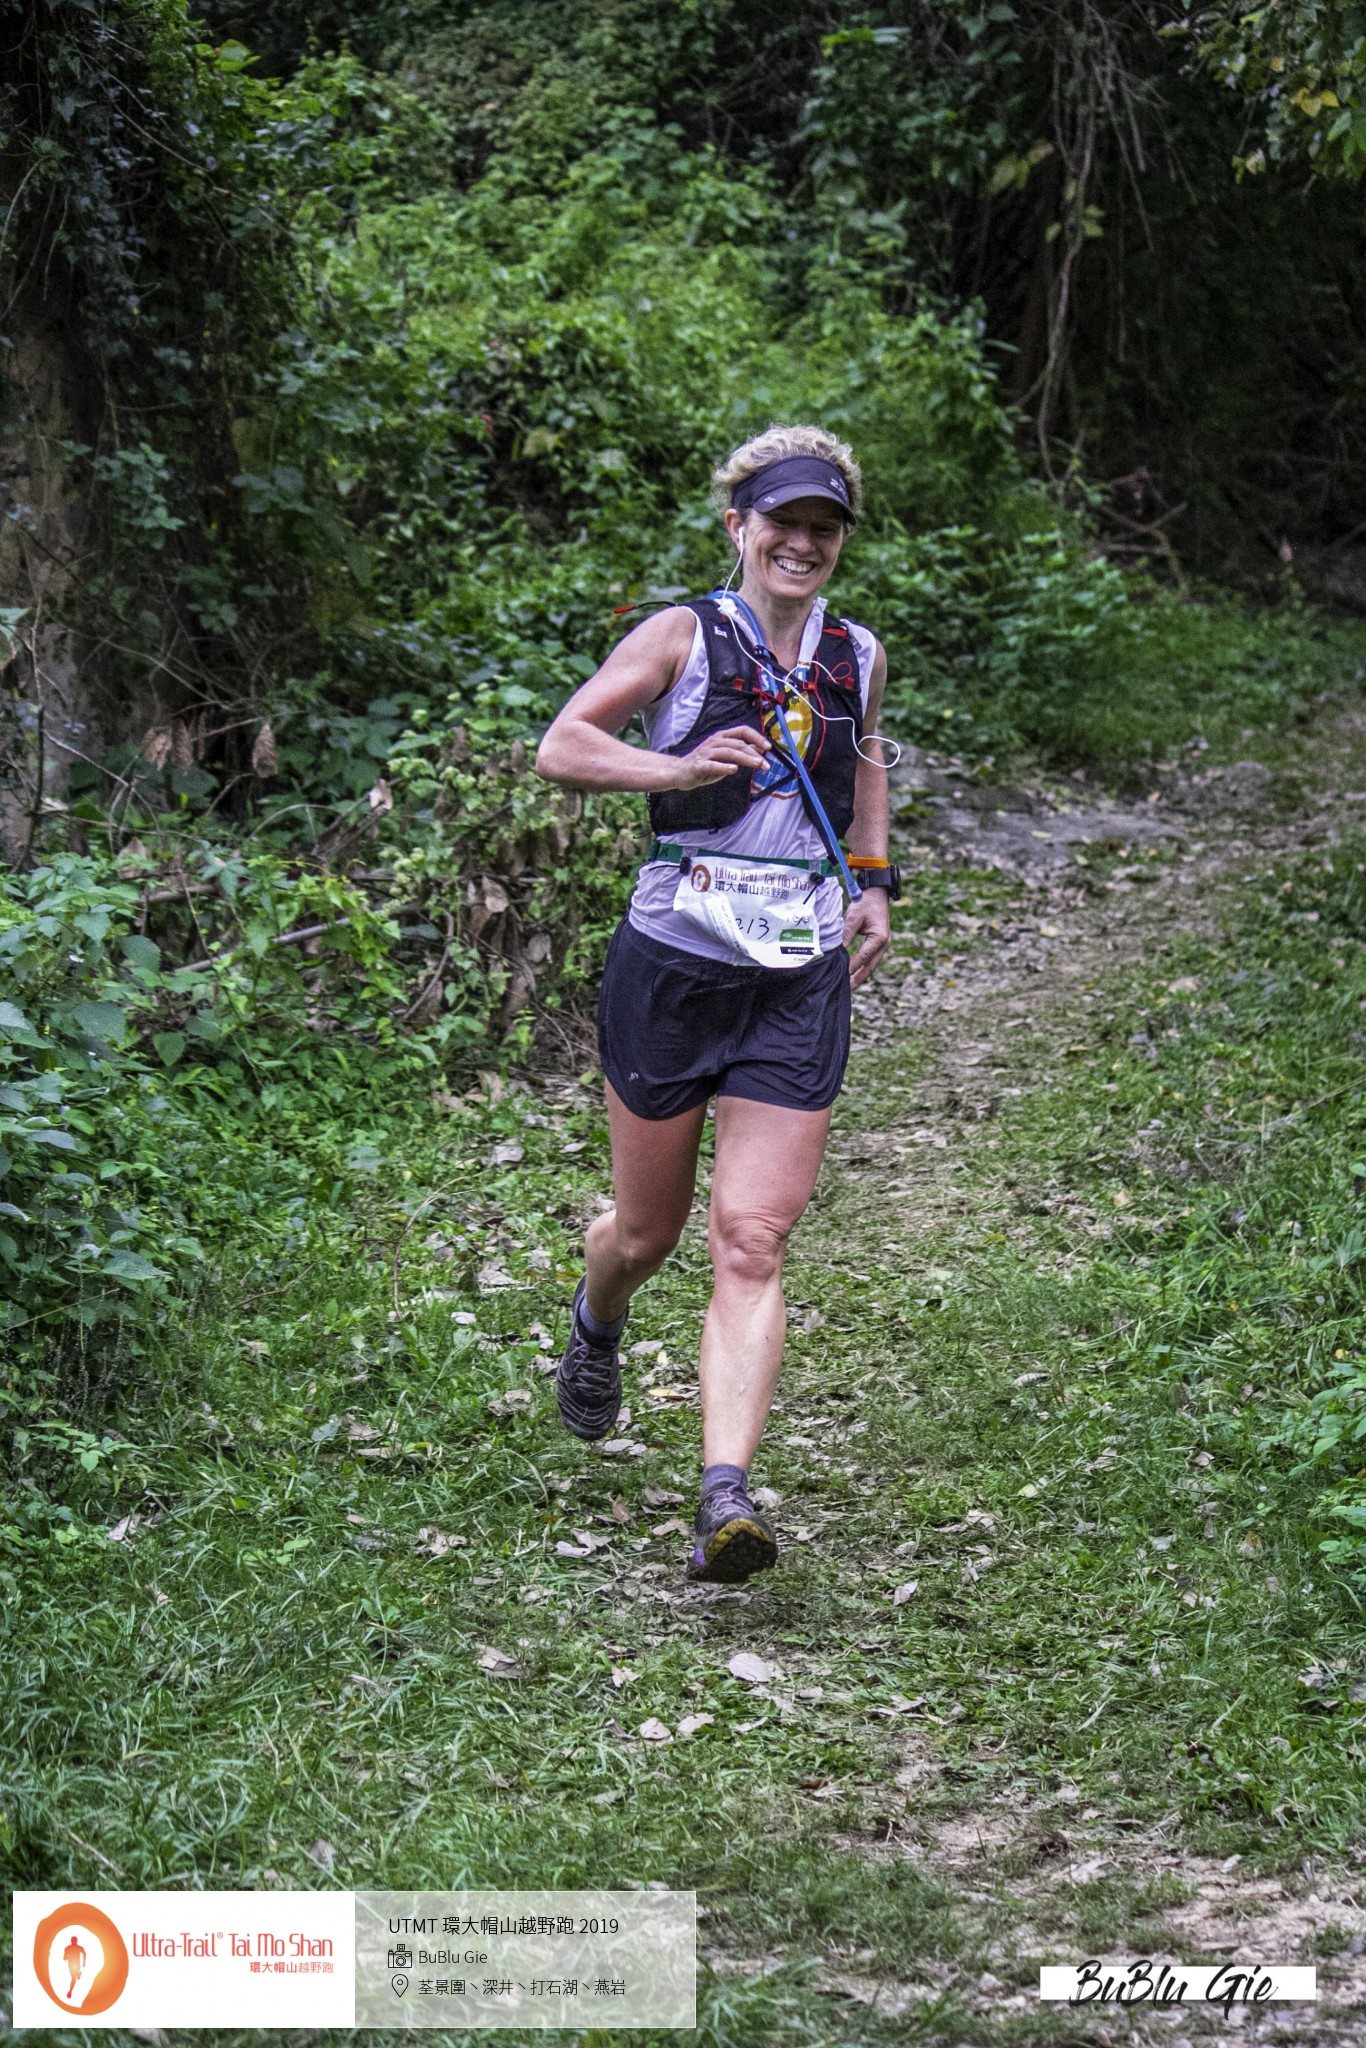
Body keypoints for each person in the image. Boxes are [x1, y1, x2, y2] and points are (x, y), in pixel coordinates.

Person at [534, 424, 898, 1582]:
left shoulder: (855, 651)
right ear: (739, 525)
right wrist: (676, 768)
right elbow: (563, 746)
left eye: (824, 527)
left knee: (751, 1234)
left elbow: (867, 758)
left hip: (795, 971)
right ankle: (597, 1320)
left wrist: (874, 881)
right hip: (675, 965)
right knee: (647, 1234)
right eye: (783, 521)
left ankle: (724, 1494)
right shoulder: (682, 635)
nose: (803, 542)